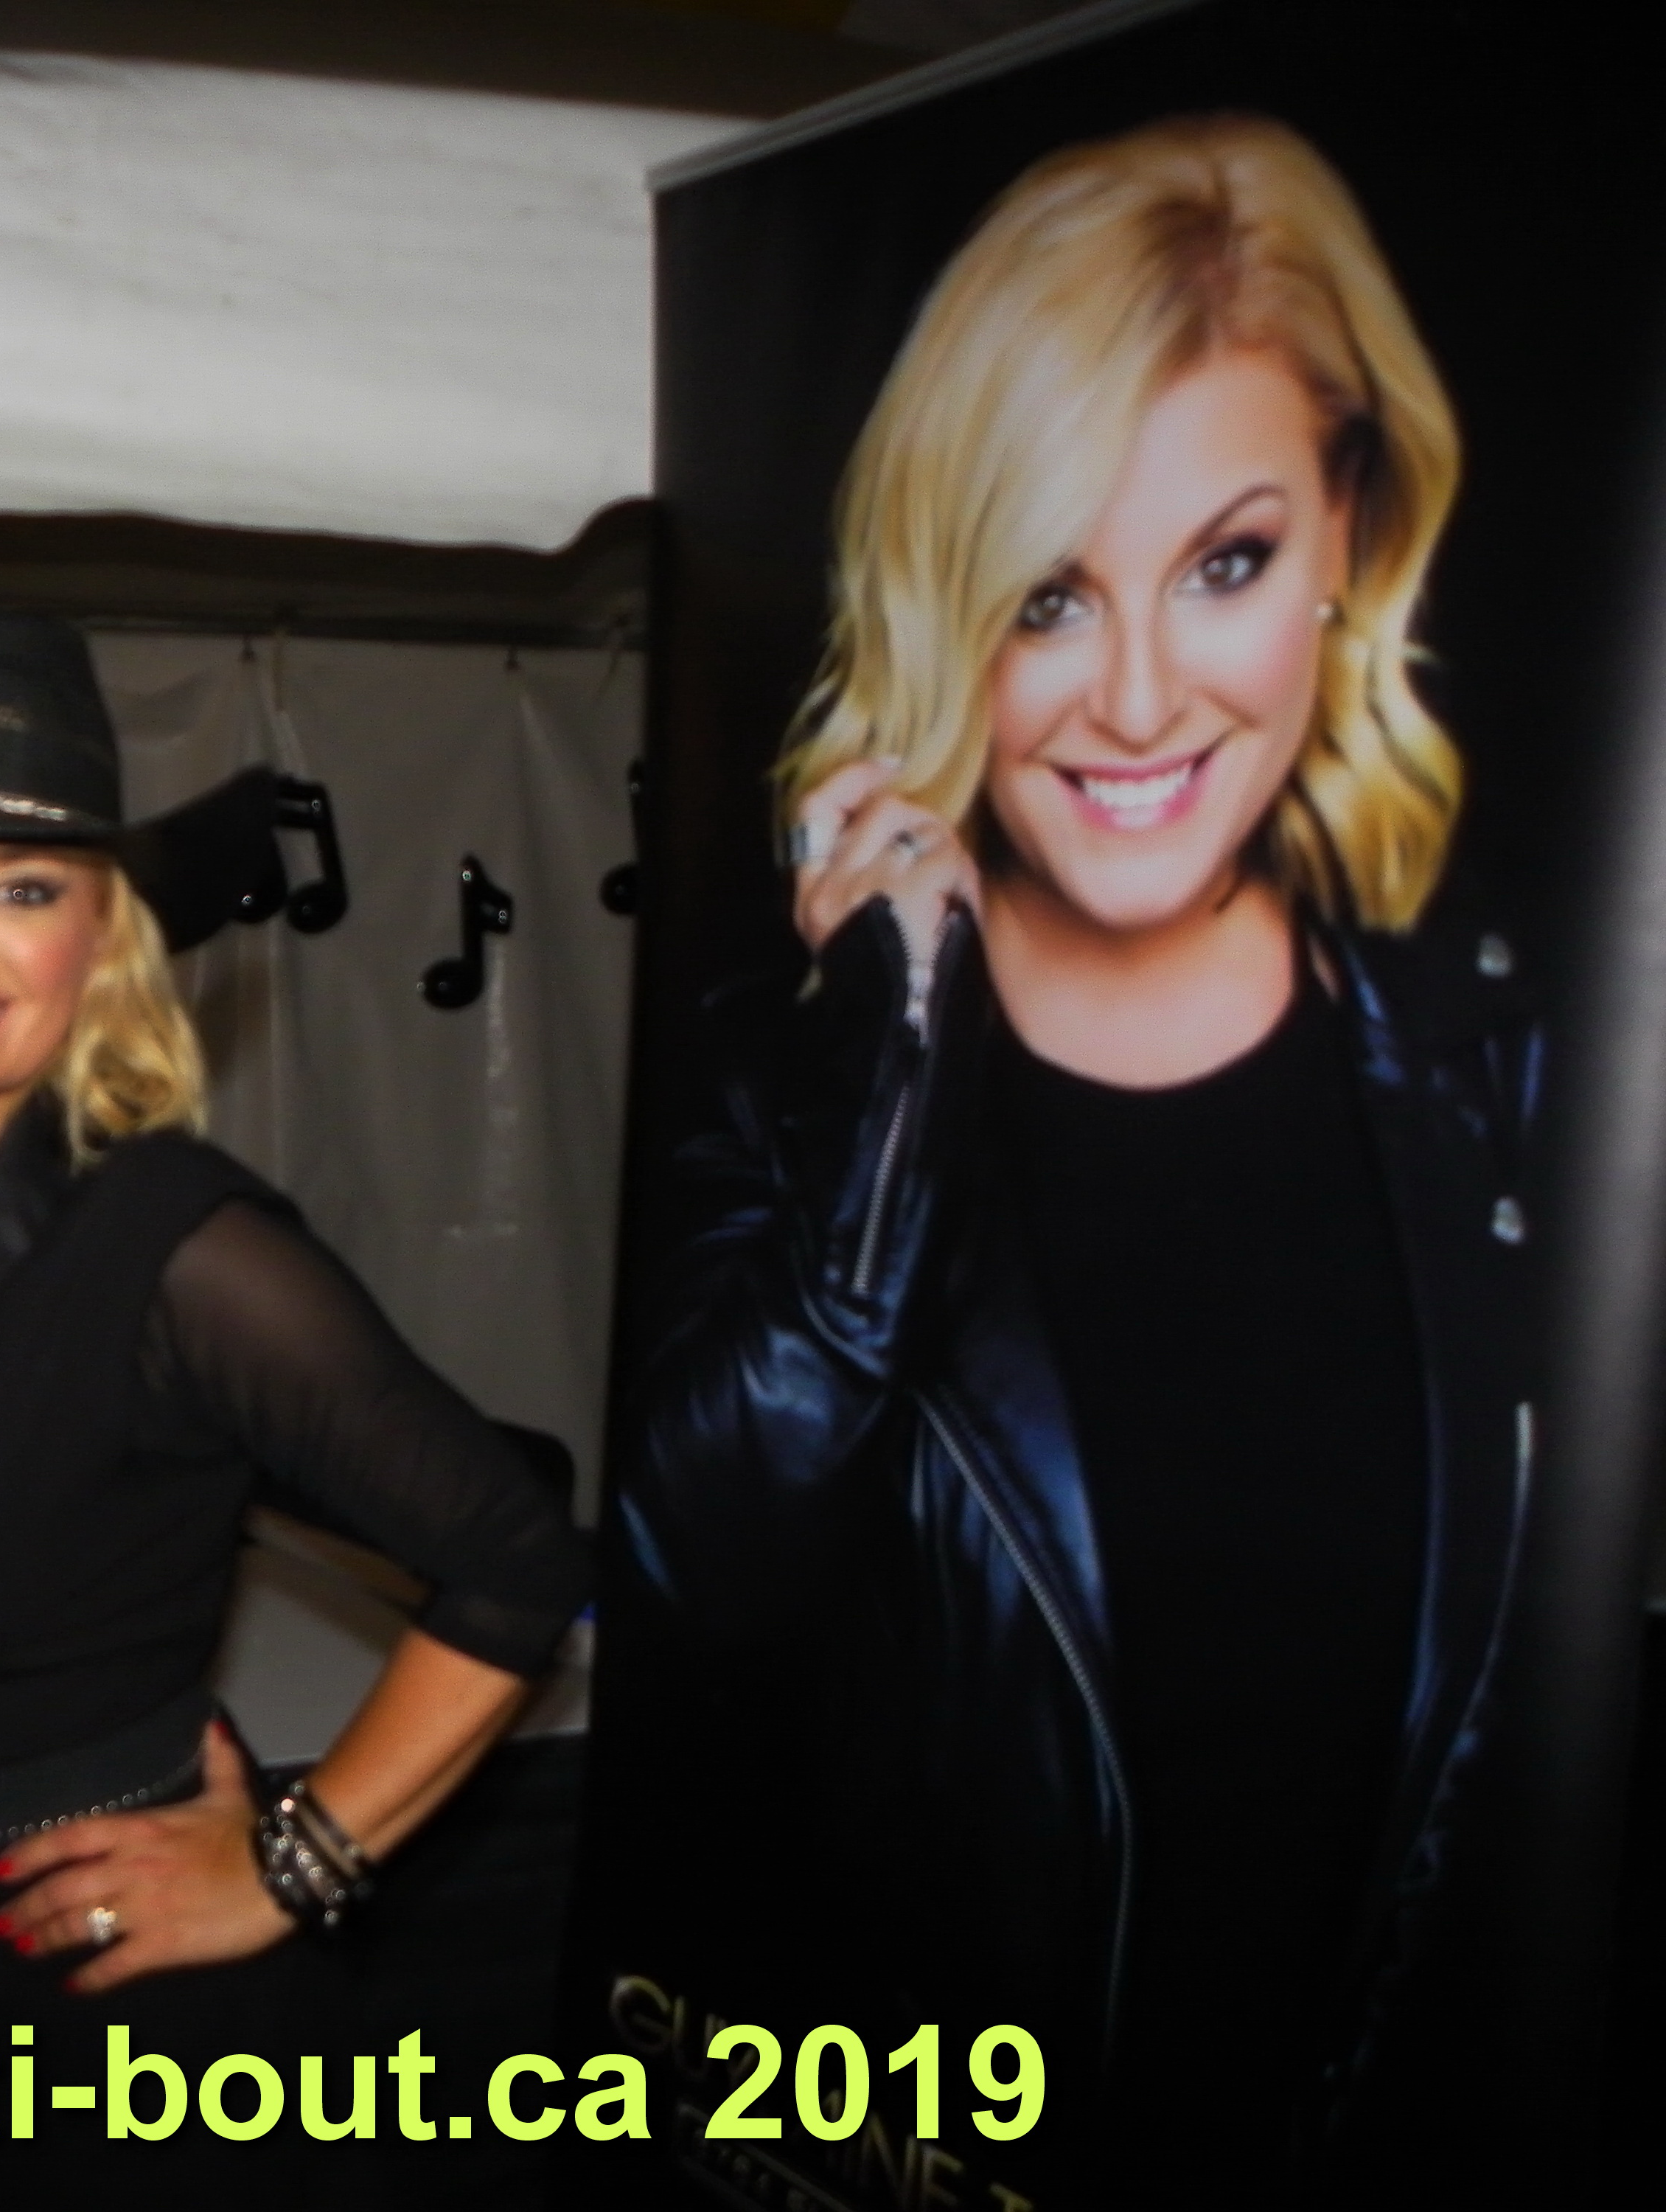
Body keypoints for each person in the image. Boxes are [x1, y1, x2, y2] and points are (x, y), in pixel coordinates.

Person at [613, 116, 1530, 2202]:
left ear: (1347, 532)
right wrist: (893, 1069)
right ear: (949, 611)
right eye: (1046, 594)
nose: (1131, 700)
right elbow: (686, 1605)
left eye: (1223, 562)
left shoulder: (1503, 1070)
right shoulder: (787, 1078)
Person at [0, 610, 591, 2207]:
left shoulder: (177, 1246)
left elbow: (515, 1559)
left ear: (98, 944)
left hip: (106, 2003)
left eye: (23, 891)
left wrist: (293, 1864)